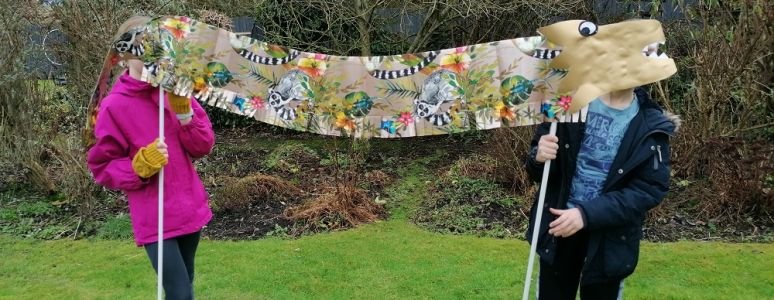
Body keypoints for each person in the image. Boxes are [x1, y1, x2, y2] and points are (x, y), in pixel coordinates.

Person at [86, 17, 215, 300]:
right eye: (140, 52)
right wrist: (138, 166)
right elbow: (101, 164)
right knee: (180, 293)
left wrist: (185, 115)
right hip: (154, 215)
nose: (149, 59)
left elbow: (203, 146)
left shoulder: (173, 91)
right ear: (124, 58)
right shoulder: (114, 106)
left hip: (188, 206)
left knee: (185, 283)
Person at [524, 86, 679, 299]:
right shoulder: (569, 104)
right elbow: (539, 171)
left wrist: (585, 214)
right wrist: (538, 157)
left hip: (609, 240)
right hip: (558, 230)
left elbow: (648, 190)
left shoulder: (651, 125)